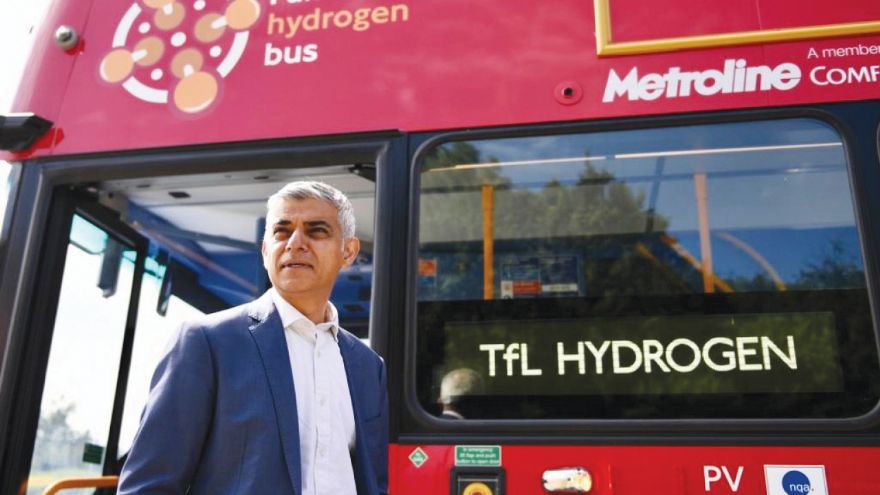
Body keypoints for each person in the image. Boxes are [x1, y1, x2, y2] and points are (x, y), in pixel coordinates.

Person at [118, 181, 388, 495]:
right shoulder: (207, 343)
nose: (295, 243)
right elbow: (149, 486)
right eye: (282, 231)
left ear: (348, 252)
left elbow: (374, 482)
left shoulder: (369, 366)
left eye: (316, 231)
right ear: (265, 250)